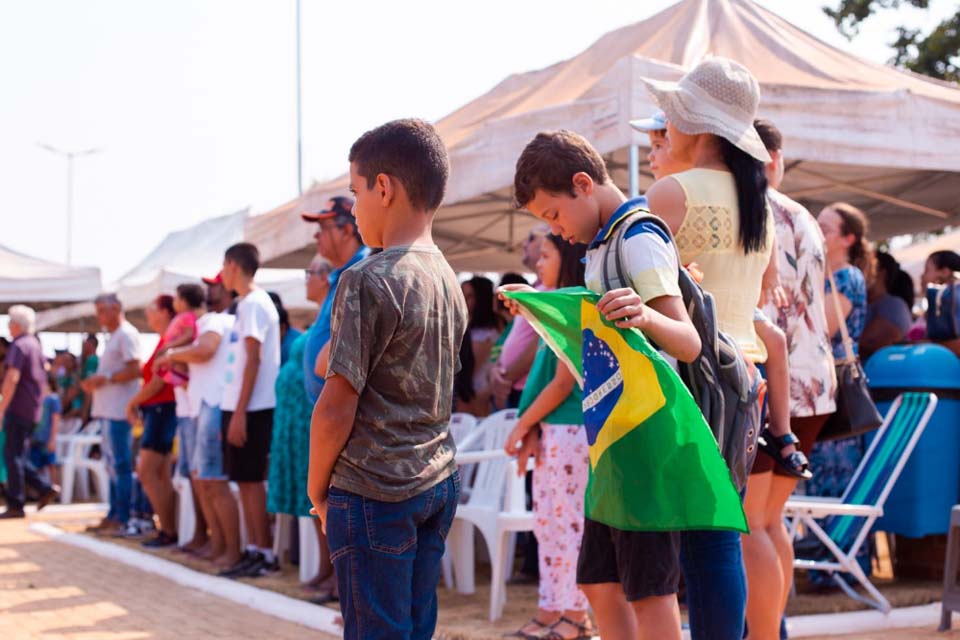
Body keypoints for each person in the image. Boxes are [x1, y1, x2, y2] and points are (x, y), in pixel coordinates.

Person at [509, 129, 702, 640]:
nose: (557, 231)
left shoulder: (637, 237)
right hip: (613, 440)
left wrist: (645, 316)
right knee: (597, 581)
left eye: (554, 215)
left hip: (649, 440)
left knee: (649, 588)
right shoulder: (600, 245)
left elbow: (687, 341)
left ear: (582, 184)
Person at [639, 57, 784, 640]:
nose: (664, 127)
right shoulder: (760, 204)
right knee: (718, 537)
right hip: (744, 377)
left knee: (688, 543)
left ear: (695, 126)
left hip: (686, 378)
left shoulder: (671, 192)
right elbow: (761, 295)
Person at [307, 118, 467, 640]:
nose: (354, 209)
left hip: (374, 487)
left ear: (384, 187)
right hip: (435, 478)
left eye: (355, 192)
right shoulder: (447, 277)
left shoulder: (367, 277)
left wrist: (316, 491)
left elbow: (336, 403)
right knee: (415, 628)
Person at [747, 119, 838, 638]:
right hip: (815, 382)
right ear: (777, 160)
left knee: (752, 524)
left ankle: (762, 632)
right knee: (770, 520)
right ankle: (771, 626)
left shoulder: (756, 211)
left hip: (774, 381)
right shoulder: (803, 215)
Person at [503, 234, 595, 640]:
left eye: (546, 255)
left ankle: (575, 615)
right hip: (556, 430)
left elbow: (561, 384)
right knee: (549, 526)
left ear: (569, 257)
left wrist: (523, 425)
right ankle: (552, 607)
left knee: (570, 526)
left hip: (573, 429)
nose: (538, 263)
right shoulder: (555, 308)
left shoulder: (572, 307)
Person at [268, 254, 337, 602]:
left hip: (315, 414)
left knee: (325, 494)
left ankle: (337, 573)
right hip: (298, 417)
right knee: (314, 499)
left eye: (309, 272)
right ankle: (326, 568)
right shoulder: (319, 315)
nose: (305, 278)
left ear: (325, 277)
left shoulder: (336, 306)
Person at [158, 273, 239, 568]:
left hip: (212, 404)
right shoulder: (211, 322)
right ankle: (217, 544)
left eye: (216, 282)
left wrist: (172, 354)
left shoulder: (215, 321)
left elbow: (206, 350)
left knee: (212, 480)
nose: (212, 288)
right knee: (204, 480)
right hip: (204, 405)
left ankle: (229, 549)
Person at [218, 242, 281, 579]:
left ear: (233, 265)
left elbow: (253, 360)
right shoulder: (245, 304)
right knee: (243, 482)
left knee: (251, 481)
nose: (222, 274)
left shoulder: (256, 303)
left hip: (254, 406)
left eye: (224, 267)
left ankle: (265, 552)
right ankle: (254, 548)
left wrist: (240, 411)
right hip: (241, 405)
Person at [805, 203, 873, 499]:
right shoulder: (823, 275)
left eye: (825, 229)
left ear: (848, 239)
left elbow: (823, 328)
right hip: (822, 385)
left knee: (834, 478)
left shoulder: (848, 277)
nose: (817, 233)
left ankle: (835, 545)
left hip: (835, 385)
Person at [81, 293, 142, 535]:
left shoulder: (127, 334)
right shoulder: (116, 336)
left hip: (120, 412)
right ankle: (115, 513)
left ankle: (123, 516)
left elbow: (135, 369)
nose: (99, 317)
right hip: (109, 411)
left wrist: (104, 378)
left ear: (115, 308)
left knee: (120, 465)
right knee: (112, 466)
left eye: (102, 311)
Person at [301, 196, 370, 406]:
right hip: (335, 415)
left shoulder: (363, 272)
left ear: (347, 231)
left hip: (351, 417)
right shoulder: (342, 275)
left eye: (323, 227)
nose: (316, 235)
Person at [126, 295, 180, 546]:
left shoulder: (169, 339)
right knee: (159, 473)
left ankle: (168, 529)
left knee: (148, 471)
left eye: (152, 308)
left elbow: (159, 381)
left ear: (164, 312)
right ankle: (169, 528)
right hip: (160, 411)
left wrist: (133, 401)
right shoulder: (165, 339)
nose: (147, 312)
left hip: (161, 410)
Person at [0, 305, 59, 518]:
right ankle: (44, 488)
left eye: (9, 323)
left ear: (17, 324)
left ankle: (16, 503)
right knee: (19, 455)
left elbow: (12, 378)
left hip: (18, 408)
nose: (8, 327)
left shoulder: (19, 346)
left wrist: (1, 408)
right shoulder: (35, 344)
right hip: (33, 409)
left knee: (12, 455)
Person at [860, 251, 914, 360]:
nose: (859, 272)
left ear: (881, 272)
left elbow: (871, 342)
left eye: (864, 267)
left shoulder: (893, 305)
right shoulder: (864, 304)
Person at [157, 284, 204, 387]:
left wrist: (170, 346)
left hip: (180, 365)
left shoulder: (188, 316)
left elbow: (189, 335)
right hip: (175, 363)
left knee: (184, 393)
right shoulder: (182, 316)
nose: (174, 301)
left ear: (184, 301)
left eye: (176, 298)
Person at [30, 373, 62, 485]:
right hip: (35, 439)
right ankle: (39, 490)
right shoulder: (36, 398)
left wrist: (52, 439)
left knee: (51, 464)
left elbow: (56, 420)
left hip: (47, 439)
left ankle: (55, 489)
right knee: (35, 465)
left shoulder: (53, 399)